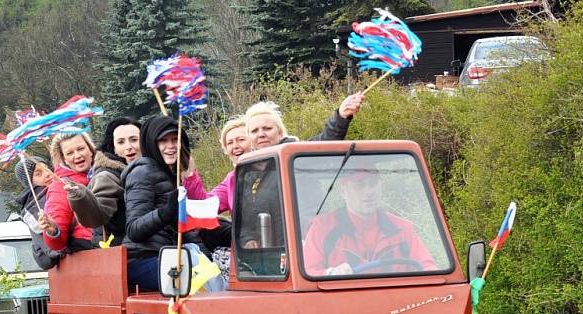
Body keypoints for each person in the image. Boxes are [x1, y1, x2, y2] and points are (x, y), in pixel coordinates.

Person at [238, 94, 366, 249]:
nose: (261, 134)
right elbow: (245, 220)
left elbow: (325, 141)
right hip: (272, 255)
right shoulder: (248, 174)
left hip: (306, 247)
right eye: (254, 131)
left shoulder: (297, 157)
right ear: (250, 138)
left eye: (267, 128)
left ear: (280, 132)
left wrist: (340, 117)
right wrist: (248, 239)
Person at [122, 115, 225, 291]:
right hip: (143, 258)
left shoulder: (171, 175)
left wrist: (207, 258)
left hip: (169, 255)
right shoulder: (142, 173)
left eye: (175, 140)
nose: (170, 147)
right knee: (197, 284)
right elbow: (134, 229)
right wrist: (164, 212)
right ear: (152, 144)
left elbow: (182, 228)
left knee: (218, 279)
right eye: (163, 141)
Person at [303, 169, 437, 276]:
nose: (368, 192)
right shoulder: (321, 229)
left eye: (373, 184)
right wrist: (330, 273)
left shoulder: (401, 228)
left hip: (397, 304)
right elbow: (308, 273)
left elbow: (428, 266)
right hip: (343, 306)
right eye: (359, 185)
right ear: (344, 192)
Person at [65, 117, 142, 247]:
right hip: (127, 255)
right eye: (121, 142)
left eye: (134, 140)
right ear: (113, 148)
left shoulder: (151, 168)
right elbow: (97, 216)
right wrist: (80, 197)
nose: (129, 146)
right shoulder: (107, 175)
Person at [38, 133, 96, 253]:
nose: (77, 155)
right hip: (89, 252)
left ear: (91, 149)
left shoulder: (104, 173)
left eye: (81, 149)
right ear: (64, 159)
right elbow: (57, 244)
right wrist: (52, 230)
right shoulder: (60, 186)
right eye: (69, 153)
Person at [14, 155, 65, 269]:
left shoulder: (59, 187)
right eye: (38, 173)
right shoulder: (33, 205)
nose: (47, 174)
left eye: (46, 169)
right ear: (30, 182)